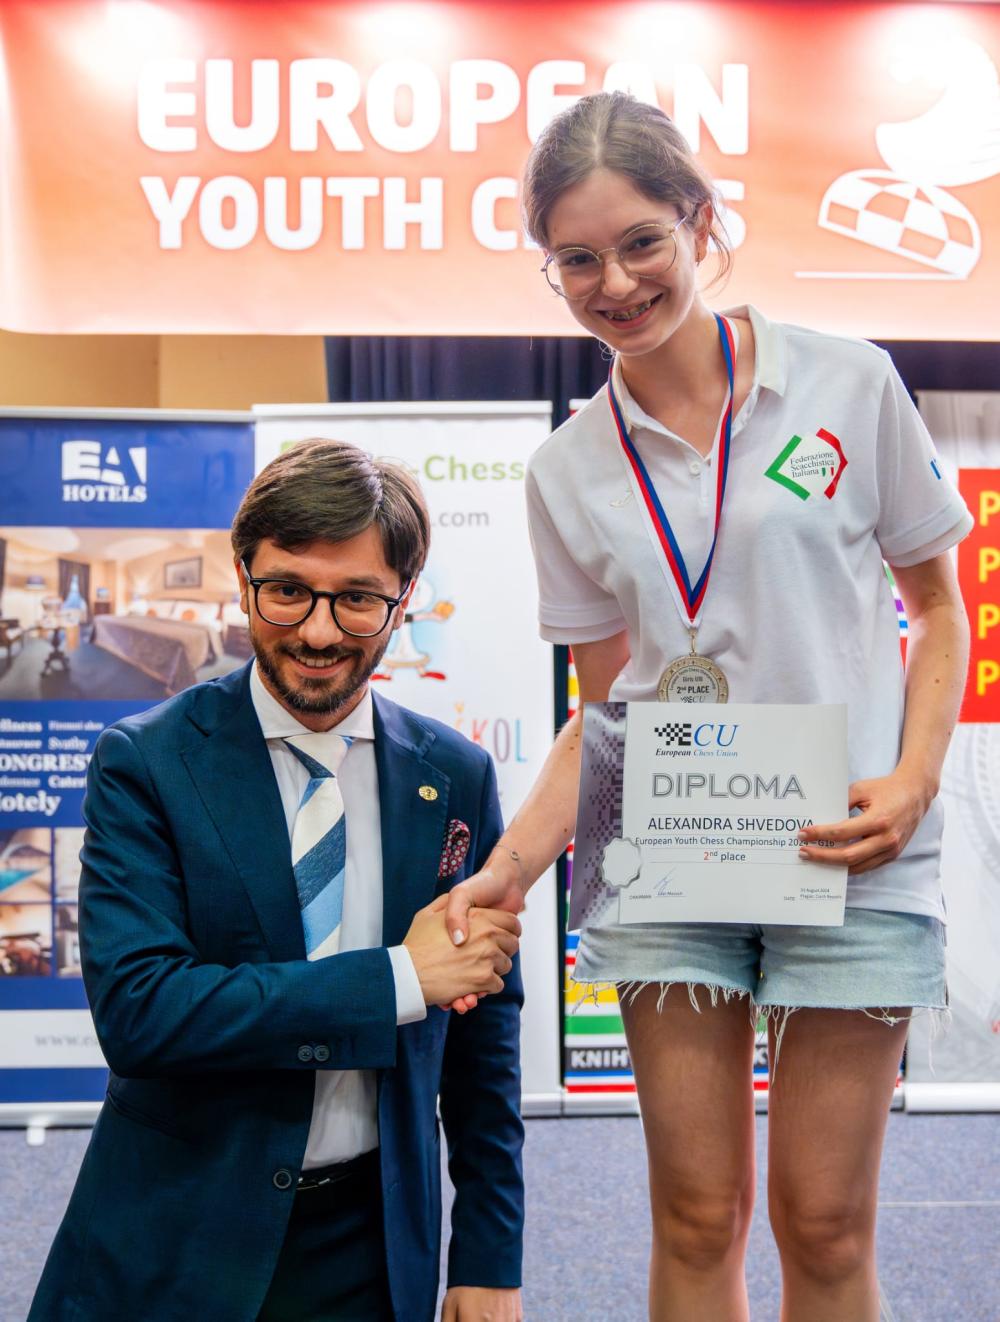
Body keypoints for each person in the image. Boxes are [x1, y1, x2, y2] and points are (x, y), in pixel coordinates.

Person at [445, 92, 971, 1322]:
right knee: (693, 1214)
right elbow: (606, 716)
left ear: (698, 222)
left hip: (849, 847)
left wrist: (912, 780)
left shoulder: (846, 380)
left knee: (825, 1219)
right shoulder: (568, 466)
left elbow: (939, 608)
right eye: (577, 259)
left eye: (641, 242)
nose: (616, 282)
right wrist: (507, 871)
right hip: (671, 858)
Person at [30, 439, 525, 1322]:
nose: (320, 632)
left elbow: (484, 1039)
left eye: (358, 599)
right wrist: (399, 979)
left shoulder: (454, 775)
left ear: (405, 597)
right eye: (288, 590)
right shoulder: (148, 763)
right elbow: (142, 1013)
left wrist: (489, 1255)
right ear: (242, 578)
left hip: (376, 1249)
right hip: (179, 1240)